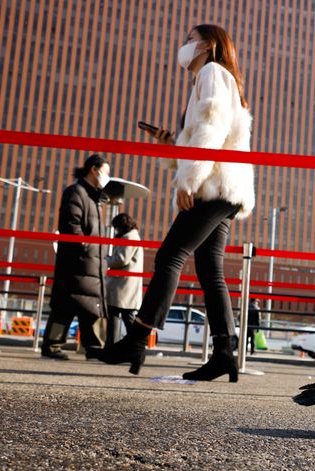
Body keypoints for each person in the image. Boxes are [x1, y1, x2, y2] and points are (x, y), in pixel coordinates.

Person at [97, 24, 255, 380]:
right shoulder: (218, 78)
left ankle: (137, 337)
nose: (183, 45)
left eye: (189, 39)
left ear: (208, 44)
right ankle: (225, 353)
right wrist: (172, 143)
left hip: (212, 187)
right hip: (226, 188)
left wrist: (188, 180)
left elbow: (211, 130)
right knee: (210, 270)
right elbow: (207, 134)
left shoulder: (212, 72)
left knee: (171, 255)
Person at [41, 154, 110, 360]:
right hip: (78, 261)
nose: (108, 176)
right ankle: (54, 346)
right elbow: (72, 225)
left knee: (90, 306)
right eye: (106, 171)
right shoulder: (76, 192)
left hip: (90, 262)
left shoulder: (92, 197)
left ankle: (94, 348)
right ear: (94, 170)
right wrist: (87, 248)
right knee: (68, 304)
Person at [105, 213, 143, 346]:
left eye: (116, 227)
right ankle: (134, 346)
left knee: (115, 315)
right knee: (128, 316)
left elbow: (121, 260)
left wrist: (105, 260)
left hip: (121, 284)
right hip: (127, 284)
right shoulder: (133, 236)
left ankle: (113, 346)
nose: (116, 230)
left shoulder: (128, 237)